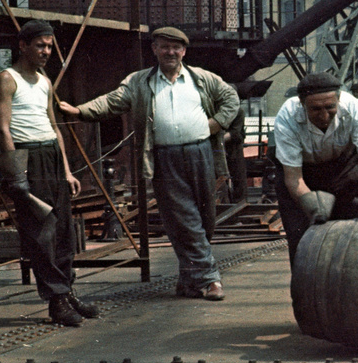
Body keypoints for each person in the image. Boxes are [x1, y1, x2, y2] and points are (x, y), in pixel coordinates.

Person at [59, 26, 239, 301]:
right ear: (154, 49)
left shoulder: (201, 78)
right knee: (185, 219)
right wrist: (80, 110)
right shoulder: (140, 82)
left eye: (176, 47)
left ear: (184, 51)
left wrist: (214, 125)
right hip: (165, 157)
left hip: (201, 152)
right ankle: (211, 279)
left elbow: (231, 98)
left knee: (205, 218)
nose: (170, 52)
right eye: (164, 46)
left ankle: (189, 279)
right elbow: (112, 102)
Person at [0, 20, 98, 327]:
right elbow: (2, 128)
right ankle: (56, 300)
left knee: (64, 228)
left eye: (49, 46)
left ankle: (68, 292)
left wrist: (66, 169)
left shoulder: (44, 81)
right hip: (27, 155)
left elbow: (55, 127)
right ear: (22, 45)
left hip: (51, 154)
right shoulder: (6, 78)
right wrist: (17, 174)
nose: (46, 51)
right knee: (42, 232)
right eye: (40, 45)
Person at [274, 72, 358, 263]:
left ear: (339, 99)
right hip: (303, 174)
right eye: (315, 109)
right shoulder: (287, 116)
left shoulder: (355, 109)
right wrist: (312, 206)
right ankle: (305, 291)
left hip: (343, 170)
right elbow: (293, 177)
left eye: (330, 107)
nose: (324, 116)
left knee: (351, 236)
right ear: (302, 103)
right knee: (302, 241)